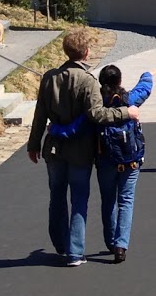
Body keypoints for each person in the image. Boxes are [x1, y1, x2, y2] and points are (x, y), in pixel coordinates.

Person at [27, 28, 136, 266]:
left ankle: (61, 243)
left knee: (56, 195)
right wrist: (127, 112)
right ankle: (76, 251)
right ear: (86, 53)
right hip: (80, 149)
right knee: (79, 198)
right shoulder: (88, 81)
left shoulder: (49, 77)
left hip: (54, 146)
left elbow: (39, 115)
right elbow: (97, 114)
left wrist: (33, 144)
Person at [96, 64, 152, 263]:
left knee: (108, 200)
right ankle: (121, 245)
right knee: (126, 200)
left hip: (105, 159)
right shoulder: (128, 100)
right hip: (130, 160)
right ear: (119, 81)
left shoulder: (98, 103)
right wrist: (147, 74)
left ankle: (111, 241)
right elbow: (144, 88)